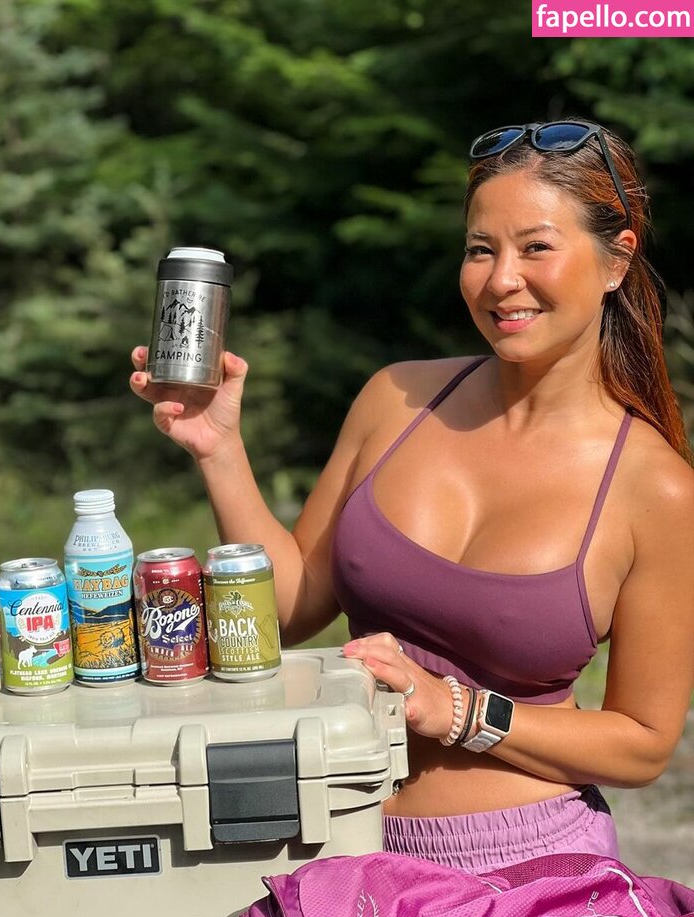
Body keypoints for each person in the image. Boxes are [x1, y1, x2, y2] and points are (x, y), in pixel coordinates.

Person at [130, 120, 694, 874]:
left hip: (529, 871)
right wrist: (219, 448)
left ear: (616, 260)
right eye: (480, 249)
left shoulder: (655, 487)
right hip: (342, 846)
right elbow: (290, 610)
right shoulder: (396, 399)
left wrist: (457, 709)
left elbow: (642, 743)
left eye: (535, 247)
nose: (501, 280)